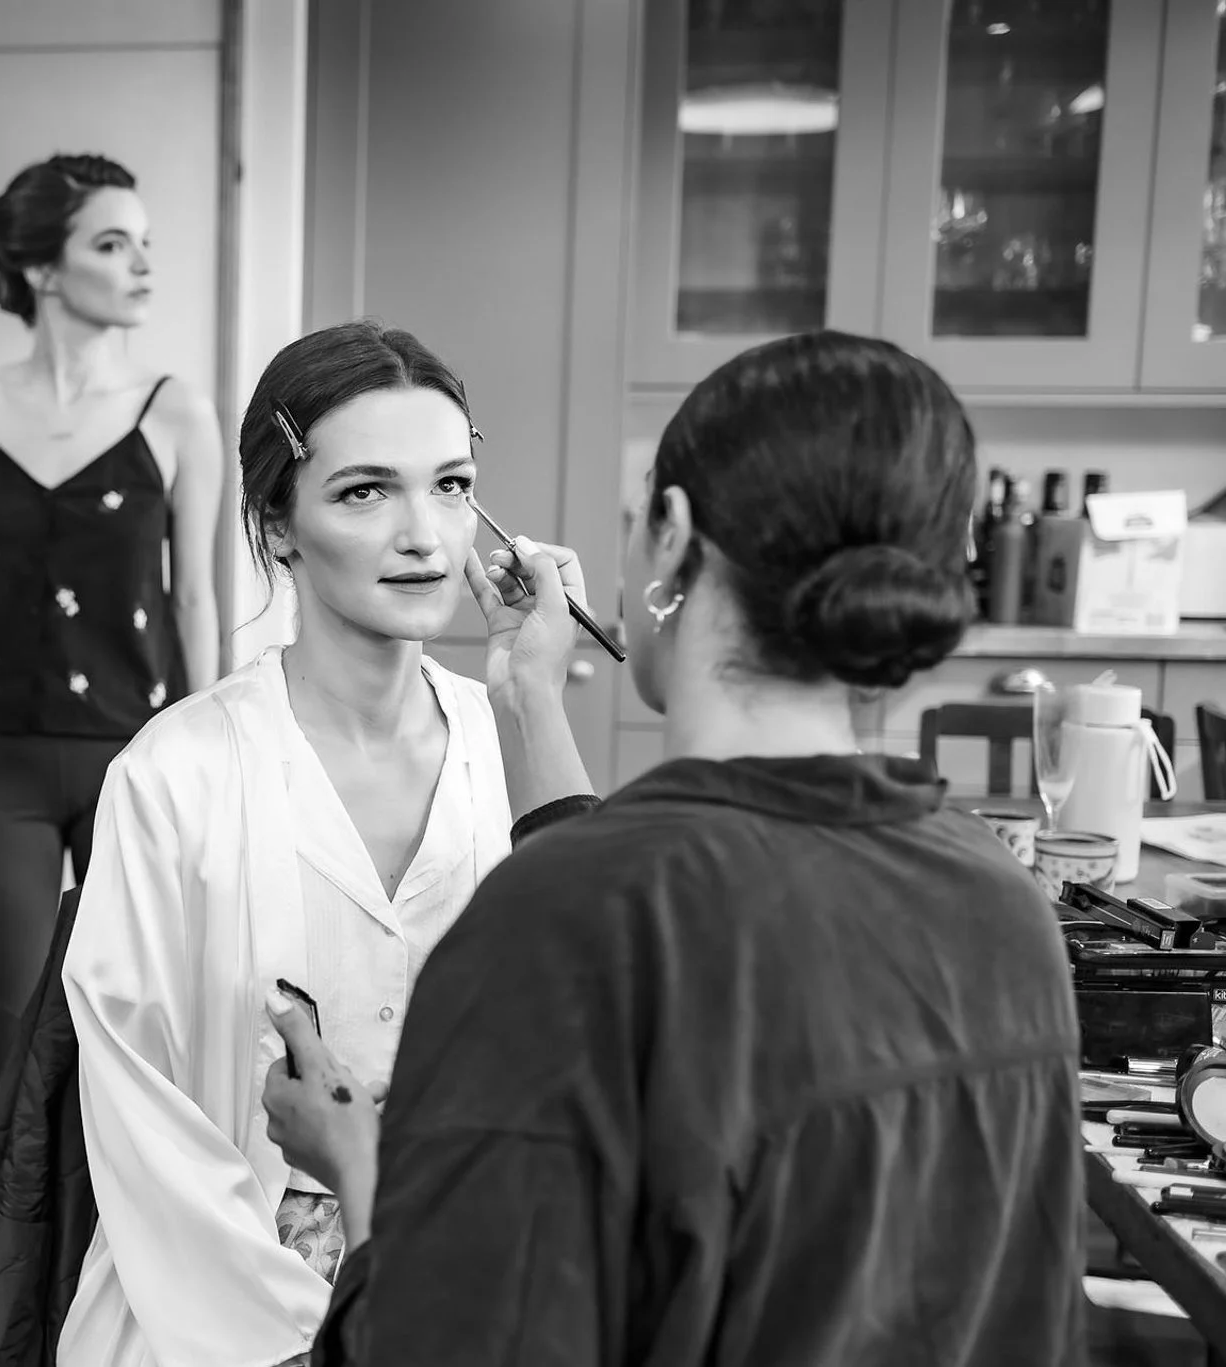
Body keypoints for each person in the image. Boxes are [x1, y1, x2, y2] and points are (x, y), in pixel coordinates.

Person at [261, 330, 1086, 1366]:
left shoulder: (568, 919)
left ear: (672, 536)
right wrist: (533, 698)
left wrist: (357, 1168)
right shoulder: (1000, 902)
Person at [58, 321, 597, 1367]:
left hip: (482, 1278)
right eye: (363, 491)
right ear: (277, 525)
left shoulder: (512, 750)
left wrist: (532, 696)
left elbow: (587, 1032)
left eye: (449, 485)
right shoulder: (172, 775)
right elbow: (139, 1117)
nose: (424, 536)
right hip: (215, 1299)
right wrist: (298, 1333)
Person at [0, 153, 225, 1103]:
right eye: (112, 243)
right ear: (45, 270)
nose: (142, 264)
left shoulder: (176, 410)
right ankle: (12, 1257)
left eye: (145, 244)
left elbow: (196, 599)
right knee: (6, 1065)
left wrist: (220, 748)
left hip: (138, 768)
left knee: (138, 1061)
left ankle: (119, 1254)